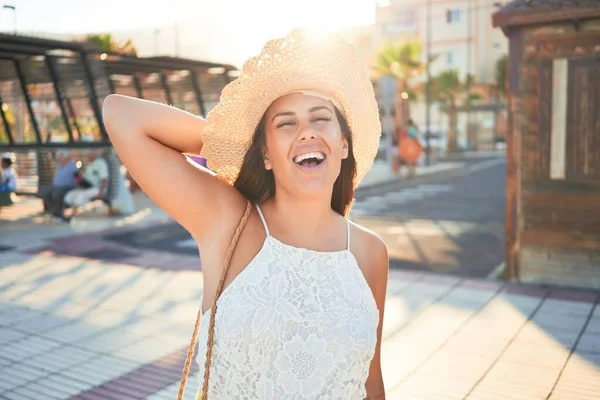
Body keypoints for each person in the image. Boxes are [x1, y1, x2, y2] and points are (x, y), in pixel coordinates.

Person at [102, 28, 388, 400]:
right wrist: (235, 146)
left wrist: (274, 141)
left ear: (344, 144)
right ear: (265, 154)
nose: (306, 132)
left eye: (320, 119)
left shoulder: (369, 252)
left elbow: (372, 383)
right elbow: (121, 115)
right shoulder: (228, 221)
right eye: (286, 124)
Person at [63, 150, 109, 215]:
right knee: (71, 194)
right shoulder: (89, 165)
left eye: (89, 155)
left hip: (97, 188)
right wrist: (79, 176)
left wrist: (101, 192)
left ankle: (73, 213)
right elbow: (86, 177)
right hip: (87, 187)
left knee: (81, 194)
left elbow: (104, 178)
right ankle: (63, 212)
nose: (87, 157)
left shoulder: (101, 163)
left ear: (93, 155)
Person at [43, 150, 77, 220]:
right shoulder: (60, 166)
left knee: (57, 193)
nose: (59, 158)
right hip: (57, 186)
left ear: (66, 157)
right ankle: (53, 211)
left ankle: (59, 212)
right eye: (59, 156)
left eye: (61, 156)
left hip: (67, 187)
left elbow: (77, 178)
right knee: (46, 192)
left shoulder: (72, 166)